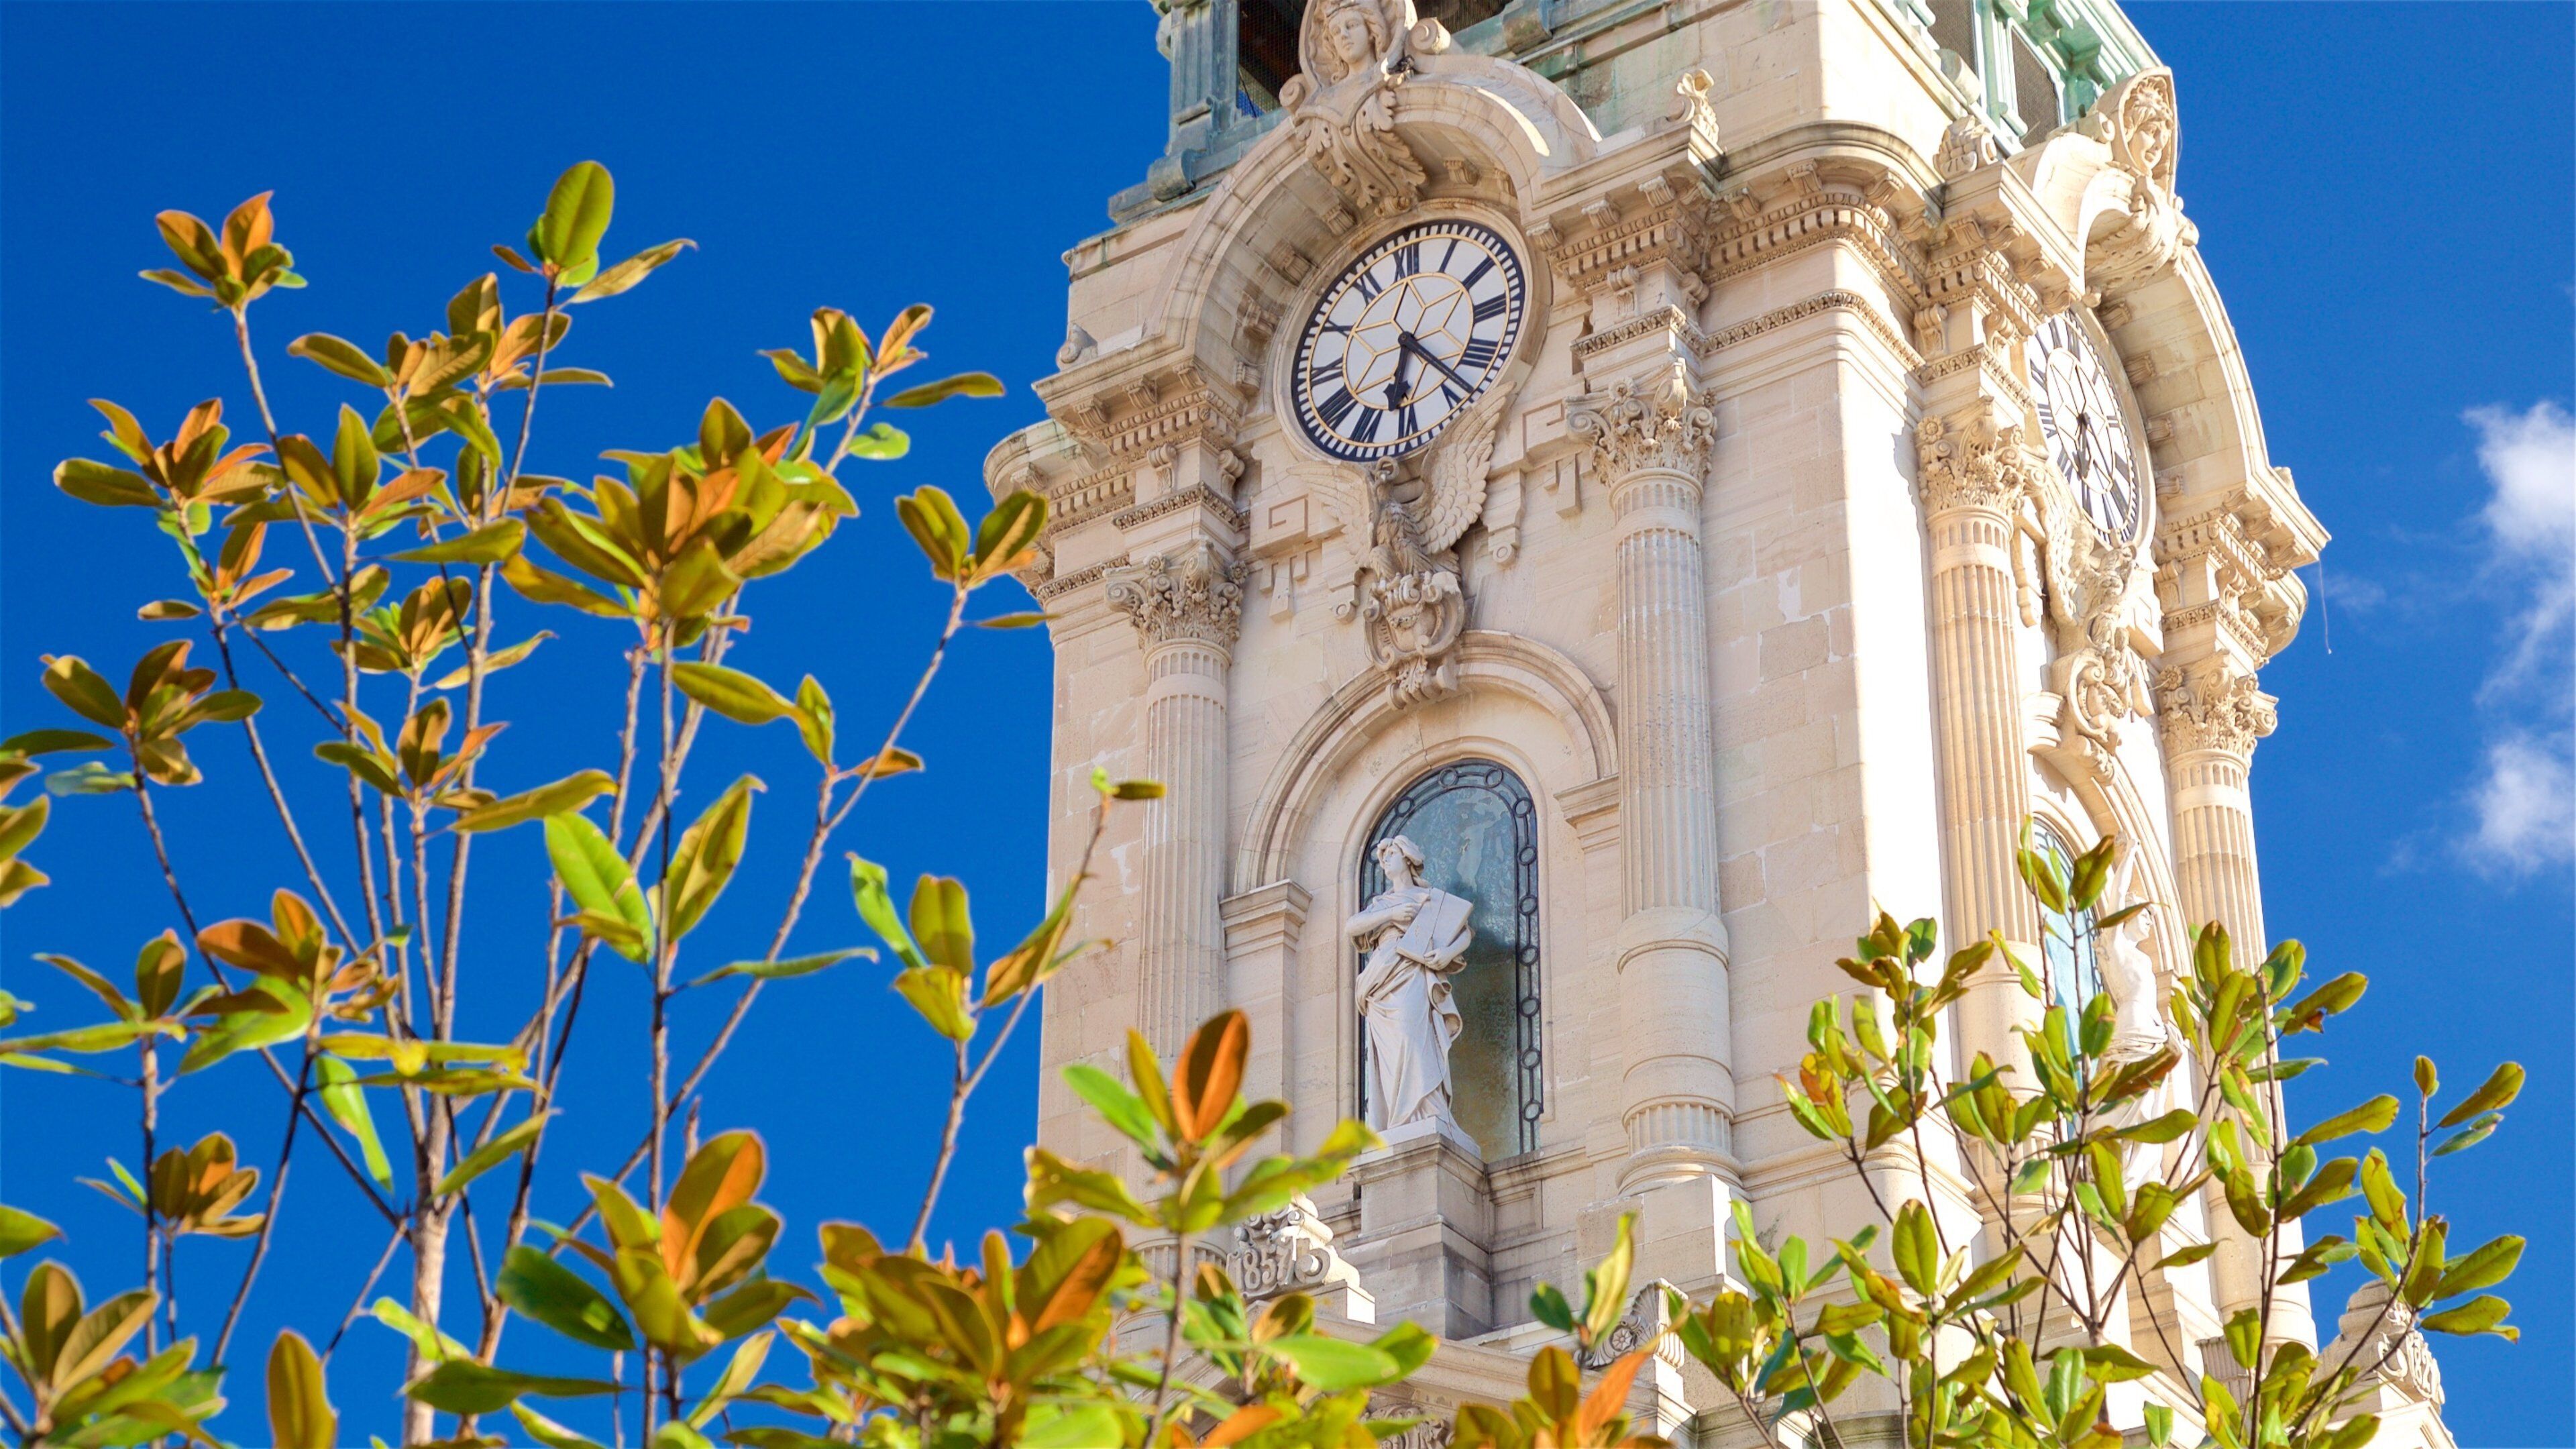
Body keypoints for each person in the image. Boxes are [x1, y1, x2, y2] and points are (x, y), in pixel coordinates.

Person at [1348, 833, 1474, 1131]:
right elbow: (1351, 926)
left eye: (1391, 854)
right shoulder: (1382, 903)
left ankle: (1427, 1110)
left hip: (1414, 970)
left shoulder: (1429, 899)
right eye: (1383, 858)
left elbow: (1464, 930)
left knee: (1413, 1037)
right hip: (1382, 978)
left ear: (1407, 858)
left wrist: (1447, 953)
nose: (1385, 861)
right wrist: (1391, 913)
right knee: (1392, 1050)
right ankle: (1398, 1119)